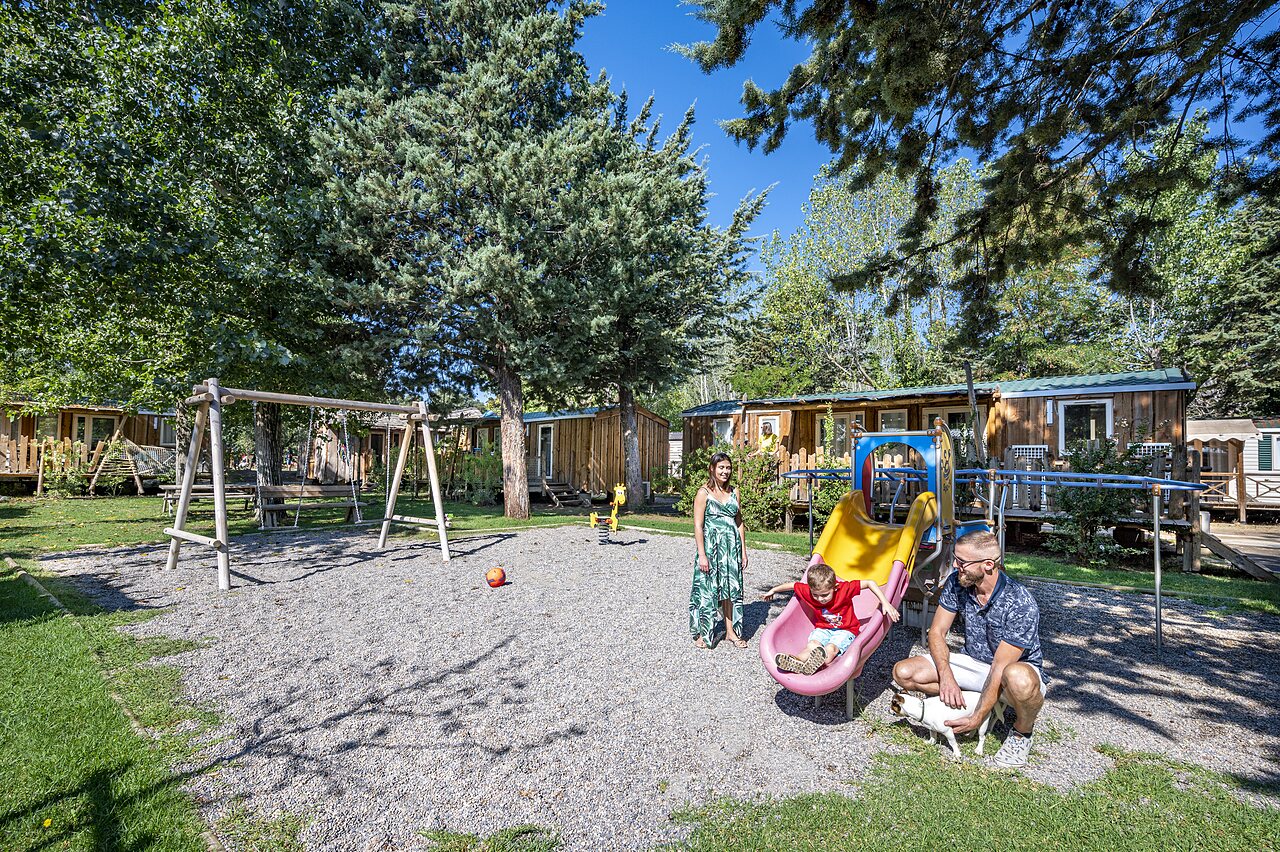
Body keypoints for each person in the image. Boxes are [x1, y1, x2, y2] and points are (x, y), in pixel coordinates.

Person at [892, 530, 1048, 769]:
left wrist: (976, 719)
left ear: (987, 565)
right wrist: (946, 677)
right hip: (973, 662)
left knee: (1020, 680)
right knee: (903, 672)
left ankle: (1021, 733)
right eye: (956, 559)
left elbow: (1000, 666)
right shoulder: (957, 582)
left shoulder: (1020, 602)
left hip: (1010, 671)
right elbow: (936, 633)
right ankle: (970, 700)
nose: (955, 565)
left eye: (961, 562)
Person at [760, 562, 900, 674]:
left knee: (831, 648)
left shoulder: (844, 589)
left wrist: (885, 603)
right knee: (813, 645)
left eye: (825, 595)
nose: (820, 599)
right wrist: (773, 590)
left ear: (835, 587)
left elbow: (870, 583)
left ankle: (817, 662)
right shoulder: (809, 591)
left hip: (846, 630)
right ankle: (797, 661)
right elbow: (792, 585)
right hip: (823, 628)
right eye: (816, 595)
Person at [689, 452, 748, 649]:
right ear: (712, 469)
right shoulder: (703, 493)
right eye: (721, 467)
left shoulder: (734, 492)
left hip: (732, 548)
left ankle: (731, 632)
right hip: (711, 548)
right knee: (708, 590)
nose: (725, 471)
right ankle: (704, 633)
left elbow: (739, 522)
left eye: (728, 468)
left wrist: (744, 551)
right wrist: (702, 554)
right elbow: (698, 526)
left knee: (731, 590)